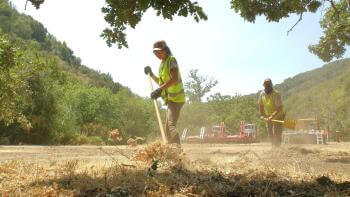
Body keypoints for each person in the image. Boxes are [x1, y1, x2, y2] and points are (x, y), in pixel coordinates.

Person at [144, 40, 185, 144]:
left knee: (170, 126)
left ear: (165, 50)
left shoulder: (171, 60)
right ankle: (172, 153)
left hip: (177, 99)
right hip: (171, 100)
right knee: (167, 130)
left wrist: (160, 89)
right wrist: (151, 74)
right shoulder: (162, 64)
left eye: (159, 52)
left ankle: (178, 152)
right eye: (155, 53)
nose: (157, 54)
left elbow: (174, 79)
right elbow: (161, 82)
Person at [258, 78, 284, 147]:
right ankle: (273, 145)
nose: (267, 86)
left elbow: (279, 108)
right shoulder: (262, 94)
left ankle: (277, 147)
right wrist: (261, 114)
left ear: (271, 85)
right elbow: (261, 105)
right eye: (265, 85)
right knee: (270, 132)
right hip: (268, 115)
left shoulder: (276, 94)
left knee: (277, 132)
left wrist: (271, 116)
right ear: (264, 85)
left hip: (278, 115)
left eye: (268, 85)